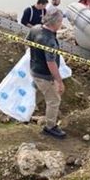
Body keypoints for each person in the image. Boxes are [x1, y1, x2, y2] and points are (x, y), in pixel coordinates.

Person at [27, 8, 67, 139]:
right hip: (44, 75)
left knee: (37, 94)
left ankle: (24, 114)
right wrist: (59, 81)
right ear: (55, 22)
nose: (61, 24)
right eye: (61, 21)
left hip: (34, 69)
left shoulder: (35, 29)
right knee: (54, 100)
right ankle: (50, 127)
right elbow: (51, 63)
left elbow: (27, 43)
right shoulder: (49, 40)